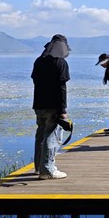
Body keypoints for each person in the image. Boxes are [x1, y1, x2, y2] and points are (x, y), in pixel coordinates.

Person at [31, 34, 71, 179]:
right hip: (53, 106)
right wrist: (63, 110)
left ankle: (38, 167)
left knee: (40, 135)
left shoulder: (39, 61)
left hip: (39, 105)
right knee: (51, 137)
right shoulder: (60, 63)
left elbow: (35, 80)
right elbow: (62, 87)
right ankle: (47, 170)